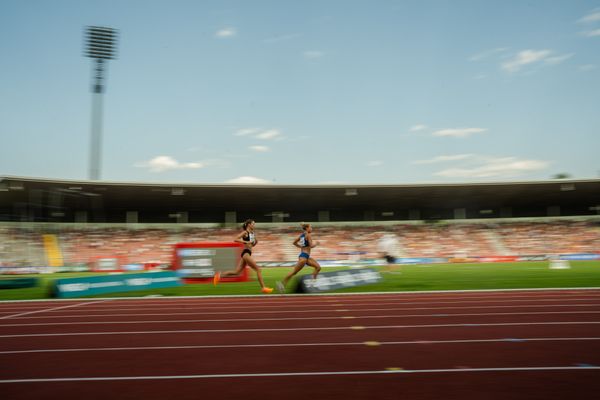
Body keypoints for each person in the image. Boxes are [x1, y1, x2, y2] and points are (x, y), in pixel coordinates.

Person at [214, 219, 273, 294]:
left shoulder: (252, 233)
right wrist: (245, 241)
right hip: (246, 253)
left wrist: (255, 242)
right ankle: (263, 288)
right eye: (253, 224)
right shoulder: (245, 232)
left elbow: (252, 245)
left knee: (236, 272)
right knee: (258, 269)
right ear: (249, 225)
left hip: (248, 253)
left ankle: (219, 275)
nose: (254, 225)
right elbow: (235, 239)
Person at [276, 222, 321, 293]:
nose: (311, 228)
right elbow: (311, 246)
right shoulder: (308, 235)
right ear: (307, 228)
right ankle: (281, 283)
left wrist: (301, 247)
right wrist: (317, 243)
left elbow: (294, 243)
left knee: (318, 267)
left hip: (305, 256)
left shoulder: (302, 235)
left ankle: (312, 285)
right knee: (294, 272)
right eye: (310, 227)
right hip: (303, 257)